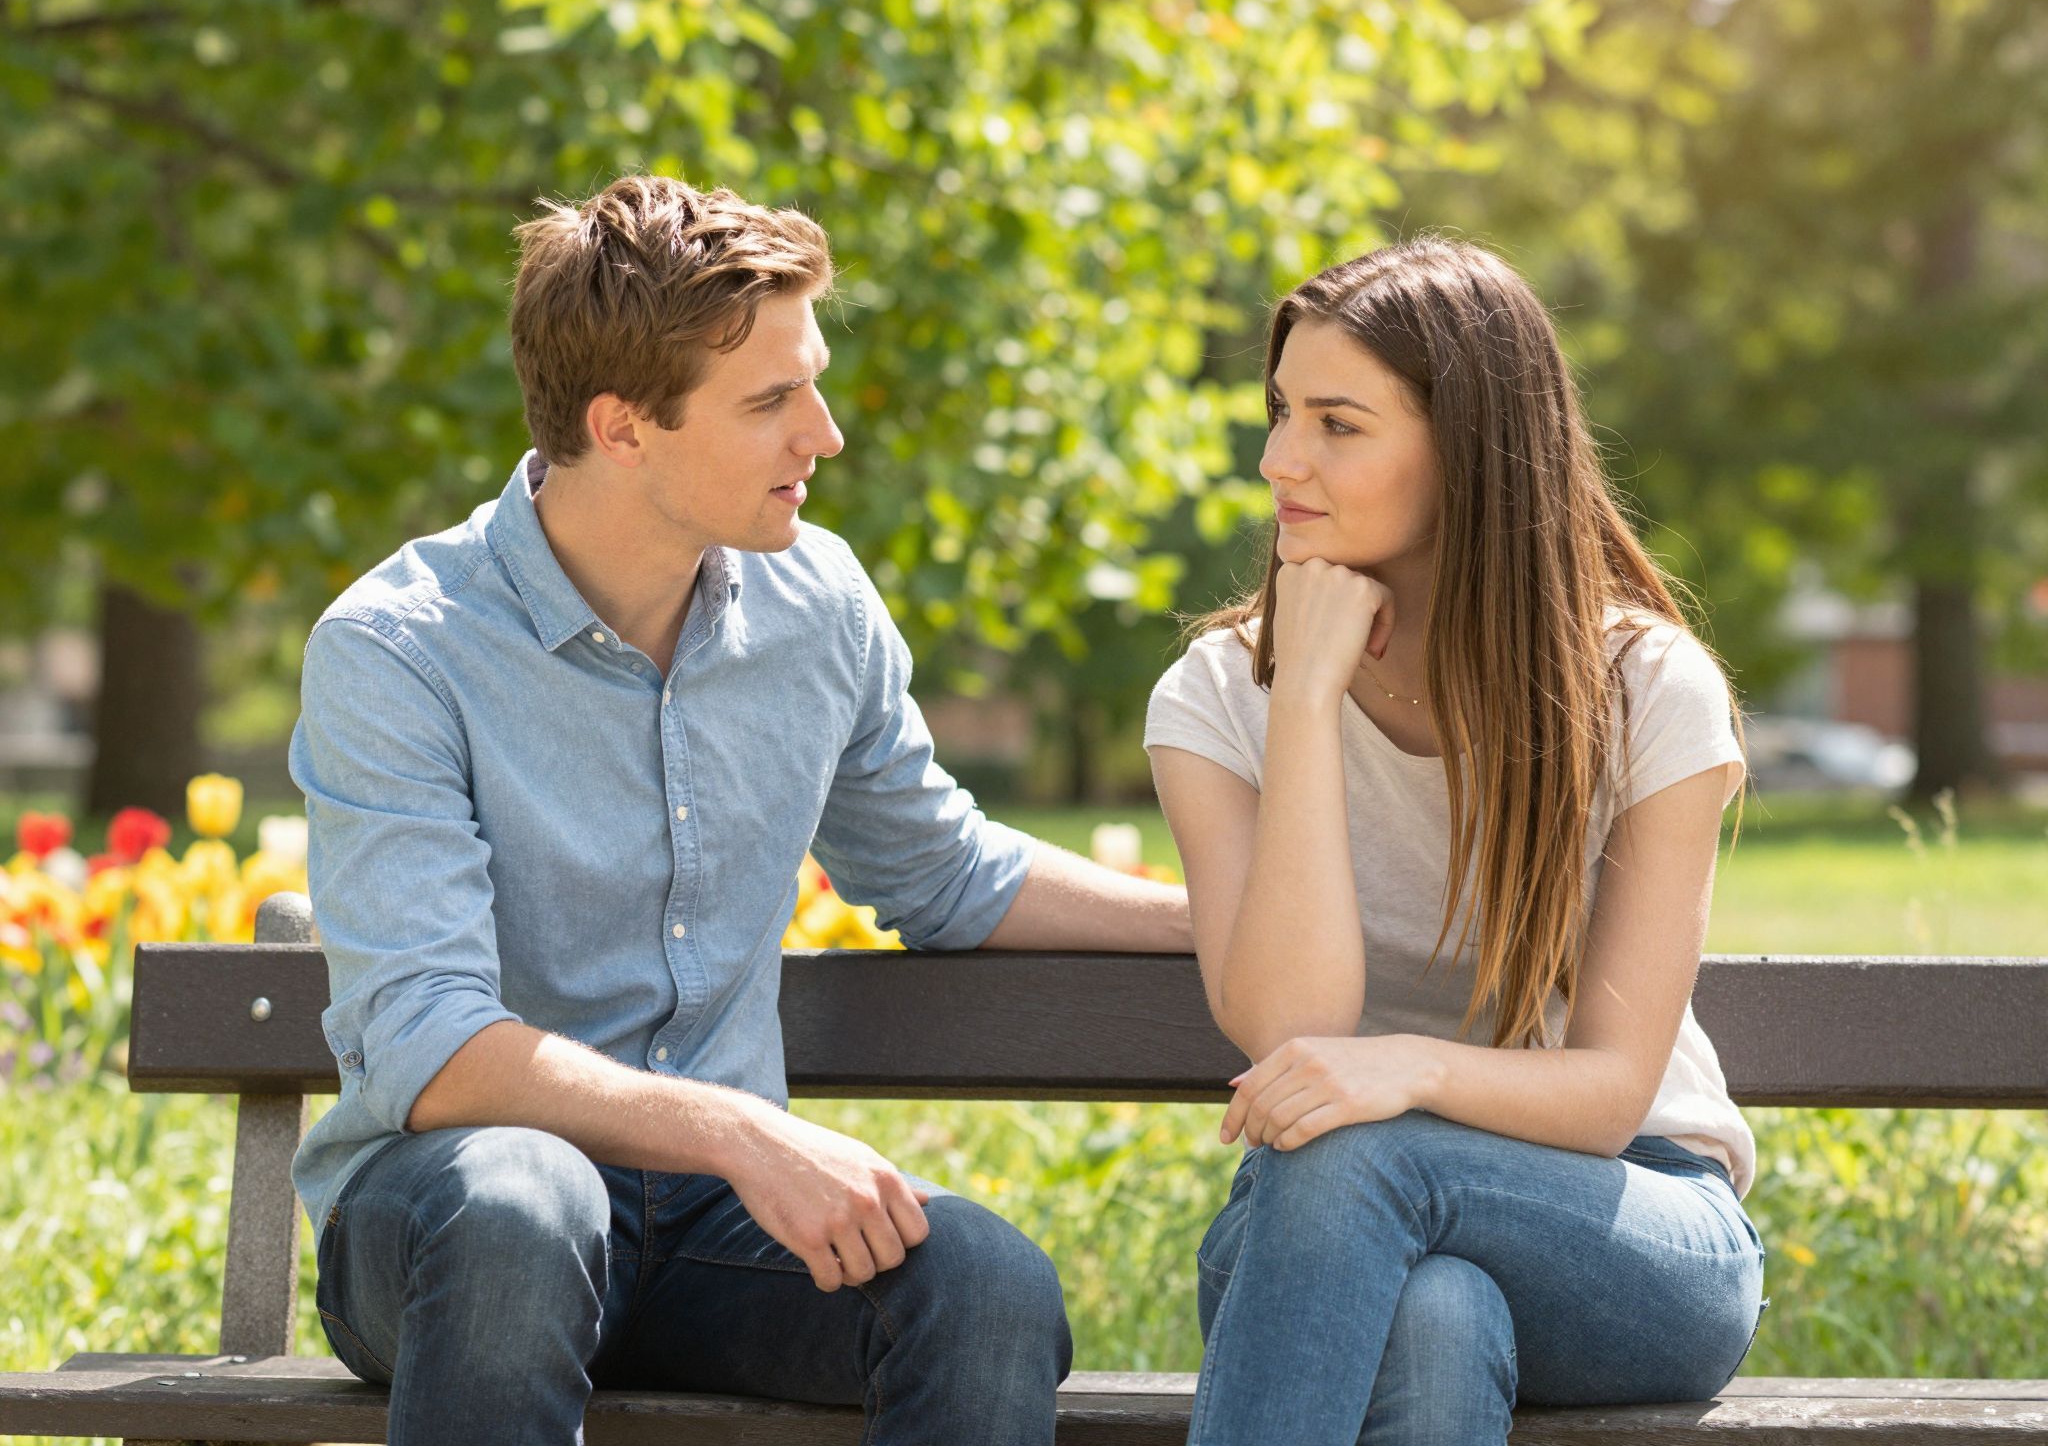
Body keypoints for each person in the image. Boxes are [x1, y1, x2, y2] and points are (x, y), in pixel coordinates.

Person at [289, 174, 1192, 1446]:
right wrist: (742, 1135)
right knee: (524, 1204)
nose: (823, 435)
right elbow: (429, 1045)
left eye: (810, 384)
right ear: (621, 428)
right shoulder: (398, 649)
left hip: (712, 1232)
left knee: (982, 1289)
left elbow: (943, 873)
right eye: (770, 402)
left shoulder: (816, 606)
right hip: (451, 1222)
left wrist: (1211, 925)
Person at [1144, 236, 1767, 1446]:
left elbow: (1607, 1096)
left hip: (1631, 1219)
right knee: (1430, 1320)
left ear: (1468, 449)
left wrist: (1411, 1071)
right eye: (1279, 412)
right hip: (1318, 1237)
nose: (1277, 460)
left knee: (1361, 1162)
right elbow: (1292, 1027)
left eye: (1336, 424)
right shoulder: (1218, 697)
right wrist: (1303, 696)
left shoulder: (1641, 688)